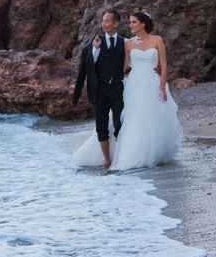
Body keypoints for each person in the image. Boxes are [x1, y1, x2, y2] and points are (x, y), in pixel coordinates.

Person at [72, 10, 183, 171]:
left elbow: (164, 65)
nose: (130, 25)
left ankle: (153, 152)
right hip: (134, 84)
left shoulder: (157, 40)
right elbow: (123, 67)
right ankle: (126, 155)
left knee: (153, 119)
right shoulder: (128, 43)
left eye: (133, 22)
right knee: (132, 119)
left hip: (153, 83)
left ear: (143, 24)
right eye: (130, 22)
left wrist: (162, 86)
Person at [72, 9, 126, 169]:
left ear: (116, 23)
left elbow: (131, 62)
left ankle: (121, 156)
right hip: (100, 91)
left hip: (118, 89)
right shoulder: (94, 42)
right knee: (101, 126)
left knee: (119, 125)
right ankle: (106, 159)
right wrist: (95, 50)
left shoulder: (124, 42)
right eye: (103, 21)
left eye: (108, 21)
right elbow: (85, 68)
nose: (104, 24)